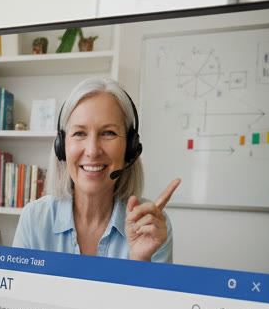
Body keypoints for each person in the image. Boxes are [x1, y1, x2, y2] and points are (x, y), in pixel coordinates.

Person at [13, 76, 180, 262]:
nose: (92, 151)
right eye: (79, 133)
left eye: (108, 133)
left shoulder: (150, 225)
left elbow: (153, 292)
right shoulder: (35, 219)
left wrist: (140, 261)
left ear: (130, 148)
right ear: (62, 147)